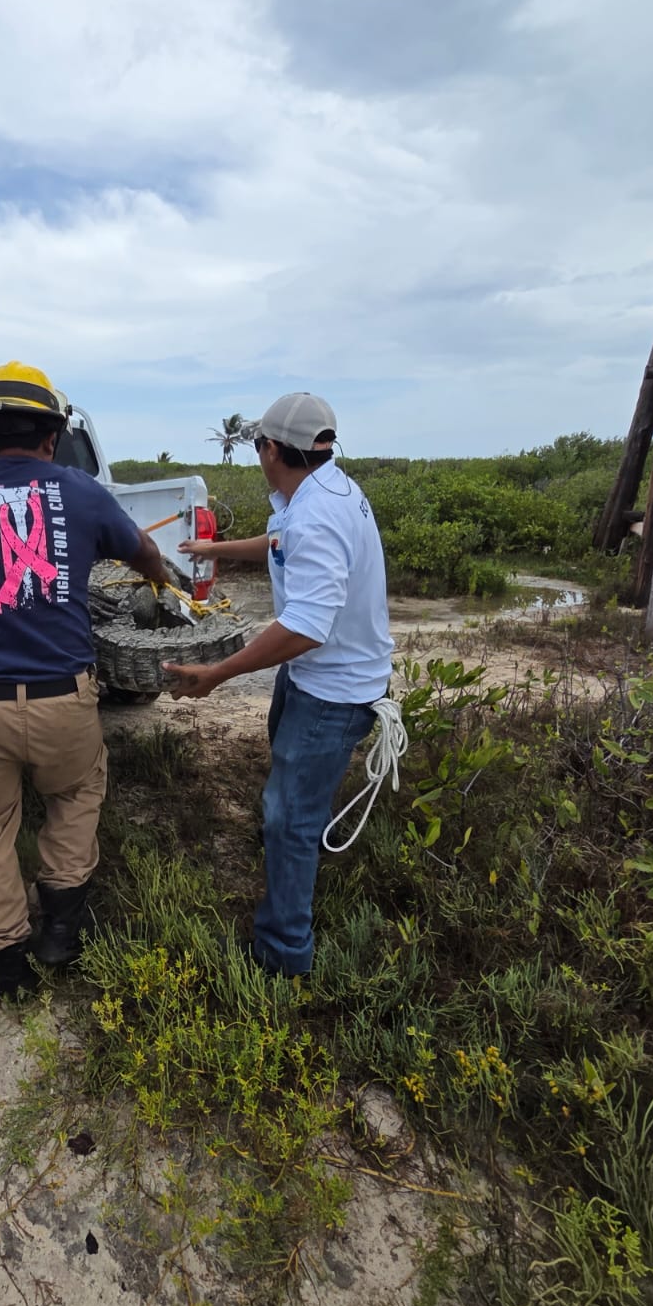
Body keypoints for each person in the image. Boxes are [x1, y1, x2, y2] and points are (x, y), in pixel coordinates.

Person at [0, 361, 166, 998]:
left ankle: (6, 965)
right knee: (76, 797)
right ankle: (61, 929)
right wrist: (162, 581)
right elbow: (143, 553)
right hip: (62, 700)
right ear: (51, 437)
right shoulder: (80, 492)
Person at [167, 393, 394, 978]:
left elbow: (305, 629)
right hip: (316, 679)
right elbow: (279, 542)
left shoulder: (317, 514)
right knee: (291, 802)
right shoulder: (324, 488)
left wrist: (217, 673)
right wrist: (214, 548)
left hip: (332, 691)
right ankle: (292, 860)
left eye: (257, 445)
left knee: (290, 816)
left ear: (271, 449)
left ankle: (283, 955)